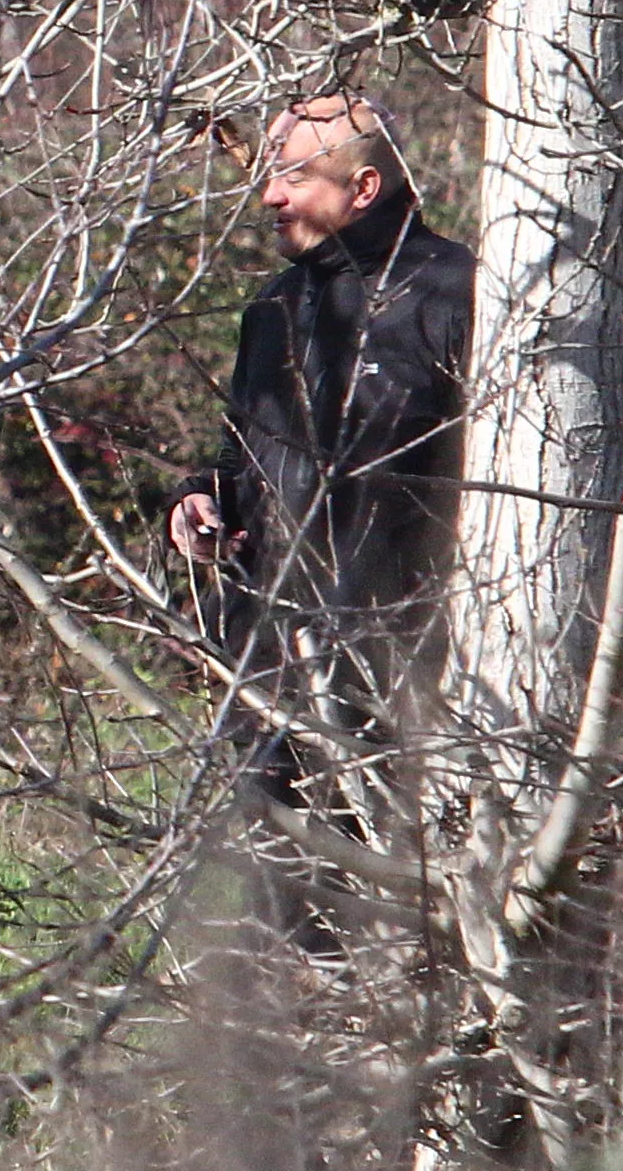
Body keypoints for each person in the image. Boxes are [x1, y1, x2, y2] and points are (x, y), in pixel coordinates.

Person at [167, 94, 475, 898]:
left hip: (408, 679)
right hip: (269, 672)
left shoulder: (459, 293)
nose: (267, 195)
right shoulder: (273, 308)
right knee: (283, 919)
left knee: (401, 912)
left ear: (362, 188)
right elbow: (243, 458)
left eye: (290, 177)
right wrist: (200, 500)